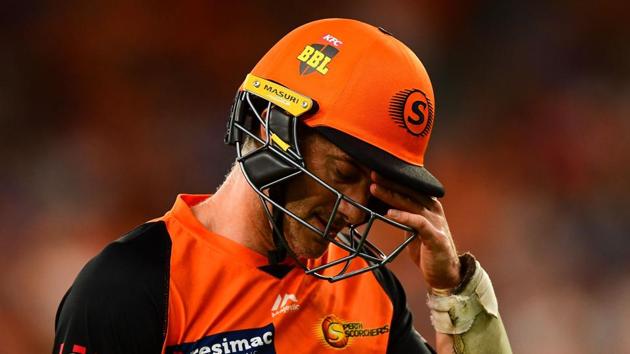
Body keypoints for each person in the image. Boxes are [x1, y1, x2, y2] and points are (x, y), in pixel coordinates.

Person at [53, 18, 511, 354]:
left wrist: (454, 291)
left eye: (373, 189)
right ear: (270, 128)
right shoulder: (131, 286)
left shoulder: (370, 291)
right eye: (344, 174)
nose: (354, 211)